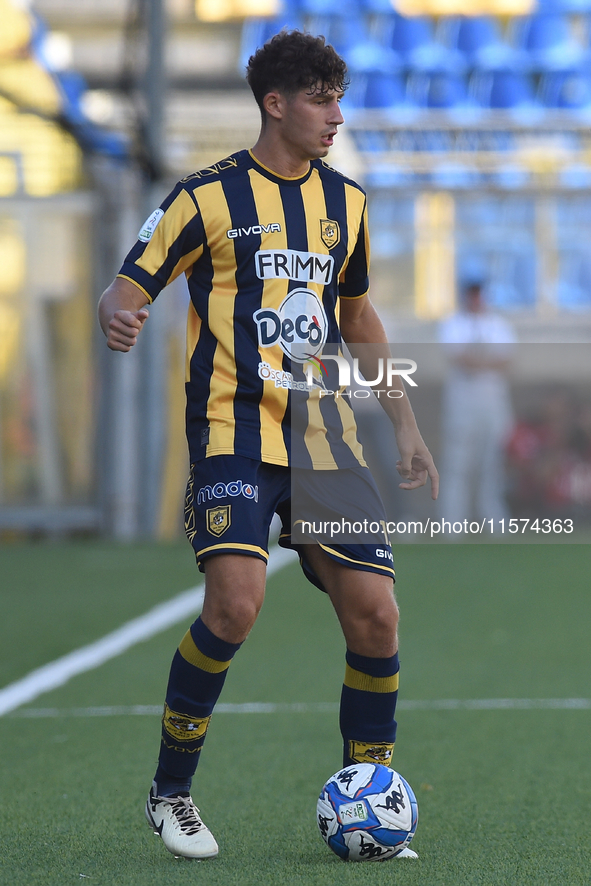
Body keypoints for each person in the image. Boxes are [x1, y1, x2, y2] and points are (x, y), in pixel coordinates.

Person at [98, 31, 438, 861]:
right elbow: (127, 282)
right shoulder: (204, 197)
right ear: (274, 103)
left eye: (338, 97)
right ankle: (170, 792)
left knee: (376, 615)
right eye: (320, 98)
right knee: (236, 602)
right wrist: (118, 309)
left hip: (323, 436)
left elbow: (356, 319)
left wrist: (403, 420)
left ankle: (372, 791)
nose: (335, 114)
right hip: (231, 430)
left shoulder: (346, 203)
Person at [437, 281, 516, 529]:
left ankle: (494, 522)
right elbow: (460, 359)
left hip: (493, 403)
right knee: (457, 463)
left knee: (492, 463)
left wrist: (479, 363)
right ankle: (452, 523)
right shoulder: (454, 324)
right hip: (462, 405)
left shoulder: (498, 325)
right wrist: (485, 363)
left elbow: (506, 361)